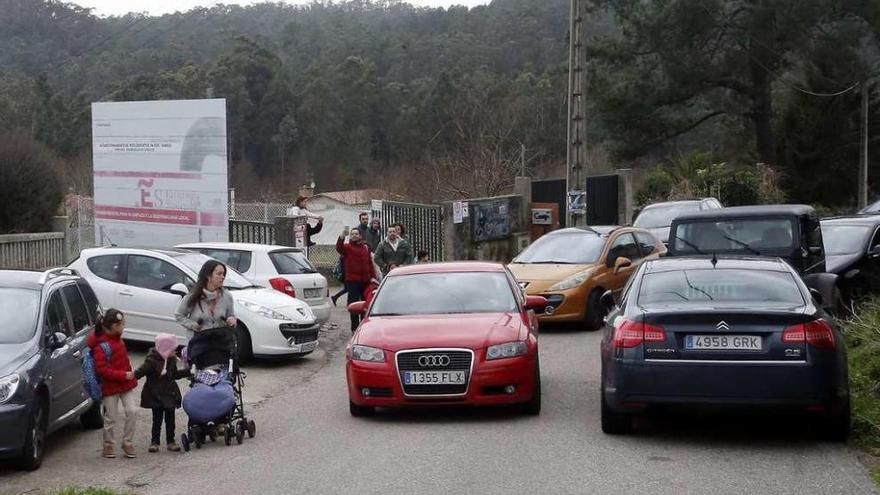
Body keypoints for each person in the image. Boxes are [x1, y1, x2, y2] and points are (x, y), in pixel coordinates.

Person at [88, 308, 139, 459]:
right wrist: (124, 375)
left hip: (125, 384)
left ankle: (127, 442)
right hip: (110, 387)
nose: (124, 326)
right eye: (122, 324)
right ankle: (108, 445)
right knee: (111, 417)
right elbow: (102, 370)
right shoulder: (101, 346)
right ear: (114, 326)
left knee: (132, 411)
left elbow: (124, 360)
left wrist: (129, 375)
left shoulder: (119, 339)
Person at [134, 333, 190, 453]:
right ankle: (155, 442)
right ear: (165, 349)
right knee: (157, 419)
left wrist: (188, 372)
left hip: (169, 393)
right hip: (155, 394)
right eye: (173, 350)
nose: (175, 352)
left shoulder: (171, 360)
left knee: (170, 420)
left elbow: (174, 375)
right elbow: (141, 371)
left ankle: (171, 441)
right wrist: (132, 376)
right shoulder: (151, 361)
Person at [175, 260, 237, 338]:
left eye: (223, 274)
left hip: (220, 343)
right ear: (208, 276)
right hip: (199, 342)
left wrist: (232, 320)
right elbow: (179, 315)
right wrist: (192, 325)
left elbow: (231, 316)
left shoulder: (226, 296)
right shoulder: (193, 296)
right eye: (219, 274)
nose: (223, 277)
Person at [336, 226, 377, 332]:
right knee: (354, 304)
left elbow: (369, 264)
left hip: (365, 281)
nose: (354, 236)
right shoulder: (347, 247)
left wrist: (373, 277)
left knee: (365, 304)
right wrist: (342, 236)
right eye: (352, 234)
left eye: (356, 234)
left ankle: (364, 327)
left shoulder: (365, 248)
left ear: (360, 236)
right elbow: (339, 248)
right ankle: (354, 328)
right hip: (353, 281)